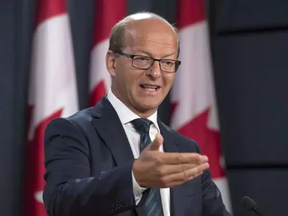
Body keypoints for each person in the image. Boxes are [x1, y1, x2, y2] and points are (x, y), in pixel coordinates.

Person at [43, 12, 231, 216]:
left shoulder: (185, 148)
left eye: (167, 62)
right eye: (142, 59)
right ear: (112, 63)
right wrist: (134, 178)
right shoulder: (74, 132)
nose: (156, 73)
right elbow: (62, 204)